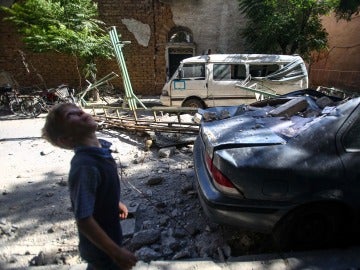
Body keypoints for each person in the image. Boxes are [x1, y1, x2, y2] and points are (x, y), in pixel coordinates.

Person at [42, 103, 137, 270]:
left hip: (110, 238)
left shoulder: (101, 151)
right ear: (66, 139)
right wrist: (116, 252)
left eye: (78, 109)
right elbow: (84, 219)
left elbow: (98, 190)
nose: (79, 112)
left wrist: (114, 202)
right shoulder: (85, 166)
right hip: (101, 251)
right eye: (70, 115)